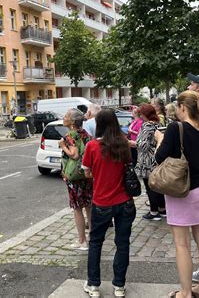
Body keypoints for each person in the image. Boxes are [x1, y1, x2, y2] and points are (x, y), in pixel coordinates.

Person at [154, 91, 199, 298]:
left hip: (180, 192)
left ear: (182, 107)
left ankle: (185, 292)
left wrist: (159, 139)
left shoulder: (175, 128)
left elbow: (159, 158)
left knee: (182, 244)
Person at [82, 109, 135, 298]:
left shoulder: (92, 146)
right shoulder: (124, 144)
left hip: (102, 201)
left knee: (96, 243)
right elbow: (129, 167)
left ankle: (94, 285)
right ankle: (119, 286)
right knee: (122, 244)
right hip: (125, 202)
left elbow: (87, 173)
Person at [59, 108, 92, 251]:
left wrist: (62, 146)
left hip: (74, 177)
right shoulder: (86, 134)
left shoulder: (70, 136)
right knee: (89, 206)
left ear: (72, 122)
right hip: (86, 174)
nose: (63, 117)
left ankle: (82, 241)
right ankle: (92, 238)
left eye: (66, 116)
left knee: (77, 208)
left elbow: (74, 154)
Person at [135, 103, 166, 220]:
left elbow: (143, 145)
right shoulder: (160, 123)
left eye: (140, 114)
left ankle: (154, 212)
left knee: (150, 187)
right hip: (158, 158)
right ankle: (163, 209)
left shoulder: (147, 126)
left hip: (147, 161)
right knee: (159, 186)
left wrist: (133, 143)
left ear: (144, 114)